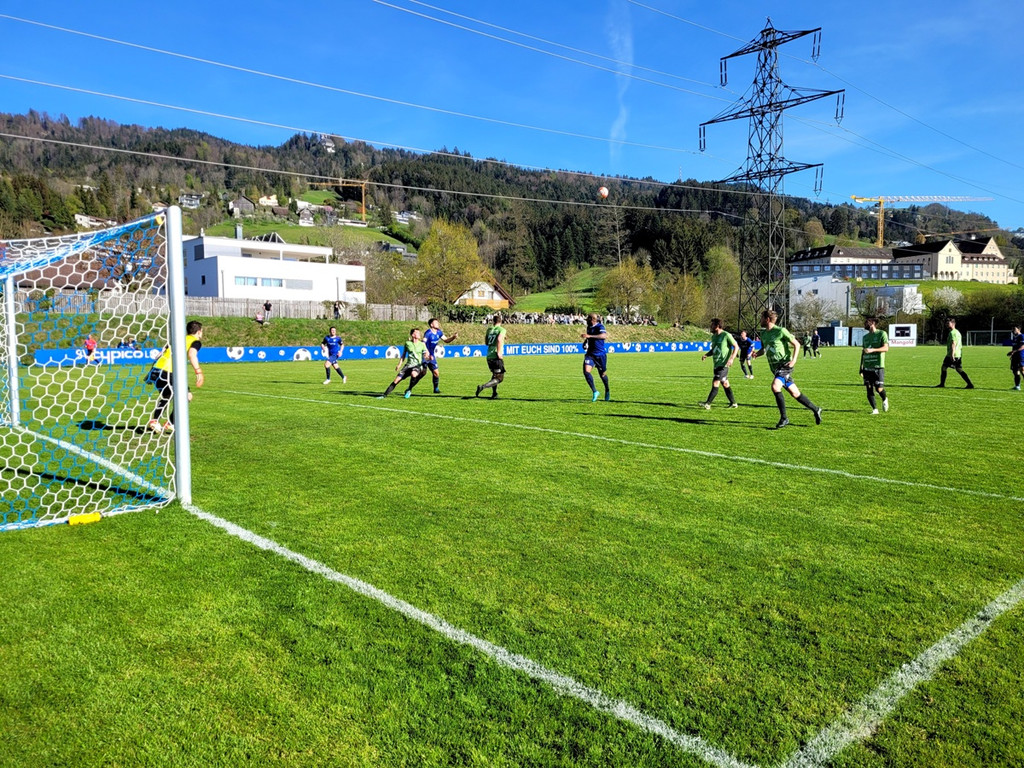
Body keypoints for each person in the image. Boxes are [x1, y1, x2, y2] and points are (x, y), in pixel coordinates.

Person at [752, 309, 822, 429]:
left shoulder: (781, 331)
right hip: (774, 368)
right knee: (795, 393)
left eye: (761, 318)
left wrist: (794, 360)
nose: (760, 320)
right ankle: (816, 409)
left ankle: (784, 418)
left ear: (767, 319)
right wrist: (756, 354)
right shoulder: (763, 333)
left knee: (775, 387)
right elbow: (764, 349)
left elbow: (797, 344)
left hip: (784, 365)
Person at [146, 320, 204, 434]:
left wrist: (150, 373)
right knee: (187, 396)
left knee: (167, 396)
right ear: (198, 332)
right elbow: (192, 354)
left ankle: (157, 421)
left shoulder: (177, 339)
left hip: (156, 369)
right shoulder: (195, 341)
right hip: (170, 371)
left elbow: (160, 354)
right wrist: (198, 371)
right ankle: (169, 423)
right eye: (202, 331)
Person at [699, 318, 738, 409]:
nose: (710, 327)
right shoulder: (714, 337)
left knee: (715, 382)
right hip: (716, 364)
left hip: (723, 364)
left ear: (717, 326)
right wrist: (706, 355)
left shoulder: (726, 335)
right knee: (725, 383)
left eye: (712, 325)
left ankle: (708, 403)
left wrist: (731, 359)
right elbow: (714, 350)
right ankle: (733, 403)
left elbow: (736, 346)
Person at [379, 328, 428, 399]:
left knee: (413, 374)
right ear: (413, 335)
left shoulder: (422, 344)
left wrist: (427, 357)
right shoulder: (407, 343)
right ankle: (384, 395)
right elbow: (403, 355)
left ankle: (409, 390)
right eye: (417, 333)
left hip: (417, 365)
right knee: (396, 380)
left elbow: (425, 354)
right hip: (408, 365)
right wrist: (399, 364)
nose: (419, 334)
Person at [860, 316, 890, 415]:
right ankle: (875, 409)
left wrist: (873, 350)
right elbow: (863, 352)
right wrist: (861, 367)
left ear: (873, 323)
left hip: (878, 366)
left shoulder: (882, 333)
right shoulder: (865, 337)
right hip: (867, 367)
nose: (865, 324)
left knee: (879, 388)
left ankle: (884, 398)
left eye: (867, 322)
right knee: (869, 388)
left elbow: (886, 348)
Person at [423, 317, 459, 394]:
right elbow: (423, 343)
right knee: (422, 373)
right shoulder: (428, 333)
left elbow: (446, 340)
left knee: (436, 373)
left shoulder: (439, 332)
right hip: (424, 355)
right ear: (431, 325)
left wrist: (453, 337)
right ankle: (410, 387)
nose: (438, 323)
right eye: (436, 322)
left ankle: (436, 389)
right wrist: (426, 352)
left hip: (432, 355)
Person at [580, 312, 610, 402]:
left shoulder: (600, 327)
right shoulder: (589, 327)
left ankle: (607, 389)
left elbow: (604, 336)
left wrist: (589, 336)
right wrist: (585, 341)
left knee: (602, 374)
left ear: (593, 320)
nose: (586, 321)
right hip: (590, 354)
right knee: (586, 372)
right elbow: (589, 338)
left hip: (600, 355)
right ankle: (595, 391)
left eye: (588, 319)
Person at [475, 313, 506, 399]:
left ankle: (494, 393)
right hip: (496, 355)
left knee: (495, 375)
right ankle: (483, 387)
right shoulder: (502, 330)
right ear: (501, 321)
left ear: (493, 321)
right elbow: (499, 339)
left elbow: (486, 342)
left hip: (489, 356)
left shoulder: (489, 330)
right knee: (499, 378)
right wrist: (499, 352)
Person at [937, 317, 974, 389]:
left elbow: (953, 343)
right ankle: (970, 384)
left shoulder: (953, 333)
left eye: (948, 323)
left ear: (953, 323)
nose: (946, 324)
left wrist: (952, 354)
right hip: (957, 354)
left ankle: (942, 384)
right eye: (946, 323)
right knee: (958, 369)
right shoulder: (957, 332)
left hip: (953, 354)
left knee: (945, 367)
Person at [1008, 325, 1024, 391]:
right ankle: (1017, 386)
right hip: (1015, 356)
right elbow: (1014, 347)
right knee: (1015, 371)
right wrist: (1012, 354)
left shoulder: (1022, 336)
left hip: (1020, 356)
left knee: (1022, 370)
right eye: (1012, 329)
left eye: (1014, 329)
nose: (1013, 330)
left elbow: (1023, 346)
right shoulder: (1015, 338)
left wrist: (1015, 351)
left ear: (1019, 329)